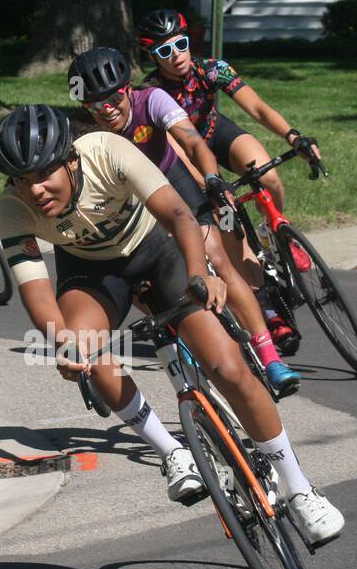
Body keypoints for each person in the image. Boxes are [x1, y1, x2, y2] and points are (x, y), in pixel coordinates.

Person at [0, 105, 343, 542]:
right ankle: (173, 452)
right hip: (93, 273)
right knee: (85, 349)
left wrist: (200, 275)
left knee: (227, 368)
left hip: (158, 249)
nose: (35, 190)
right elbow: (37, 291)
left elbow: (178, 216)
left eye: (43, 175)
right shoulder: (11, 208)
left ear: (70, 159)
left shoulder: (106, 150)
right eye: (21, 181)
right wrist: (61, 341)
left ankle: (299, 488)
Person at [68, 47, 299, 397]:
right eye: (95, 105)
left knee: (219, 262)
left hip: (173, 184)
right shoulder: (88, 134)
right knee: (149, 284)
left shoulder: (153, 99)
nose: (106, 110)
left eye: (113, 98)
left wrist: (210, 178)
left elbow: (191, 141)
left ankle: (270, 358)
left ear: (128, 89)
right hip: (135, 205)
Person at [138, 9, 325, 351]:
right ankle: (268, 309)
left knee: (267, 174)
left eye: (180, 45)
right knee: (230, 224)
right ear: (152, 56)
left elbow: (258, 109)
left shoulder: (212, 69)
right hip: (186, 151)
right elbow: (178, 153)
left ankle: (279, 234)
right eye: (165, 51)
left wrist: (294, 138)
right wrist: (209, 185)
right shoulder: (151, 92)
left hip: (214, 130)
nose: (176, 55)